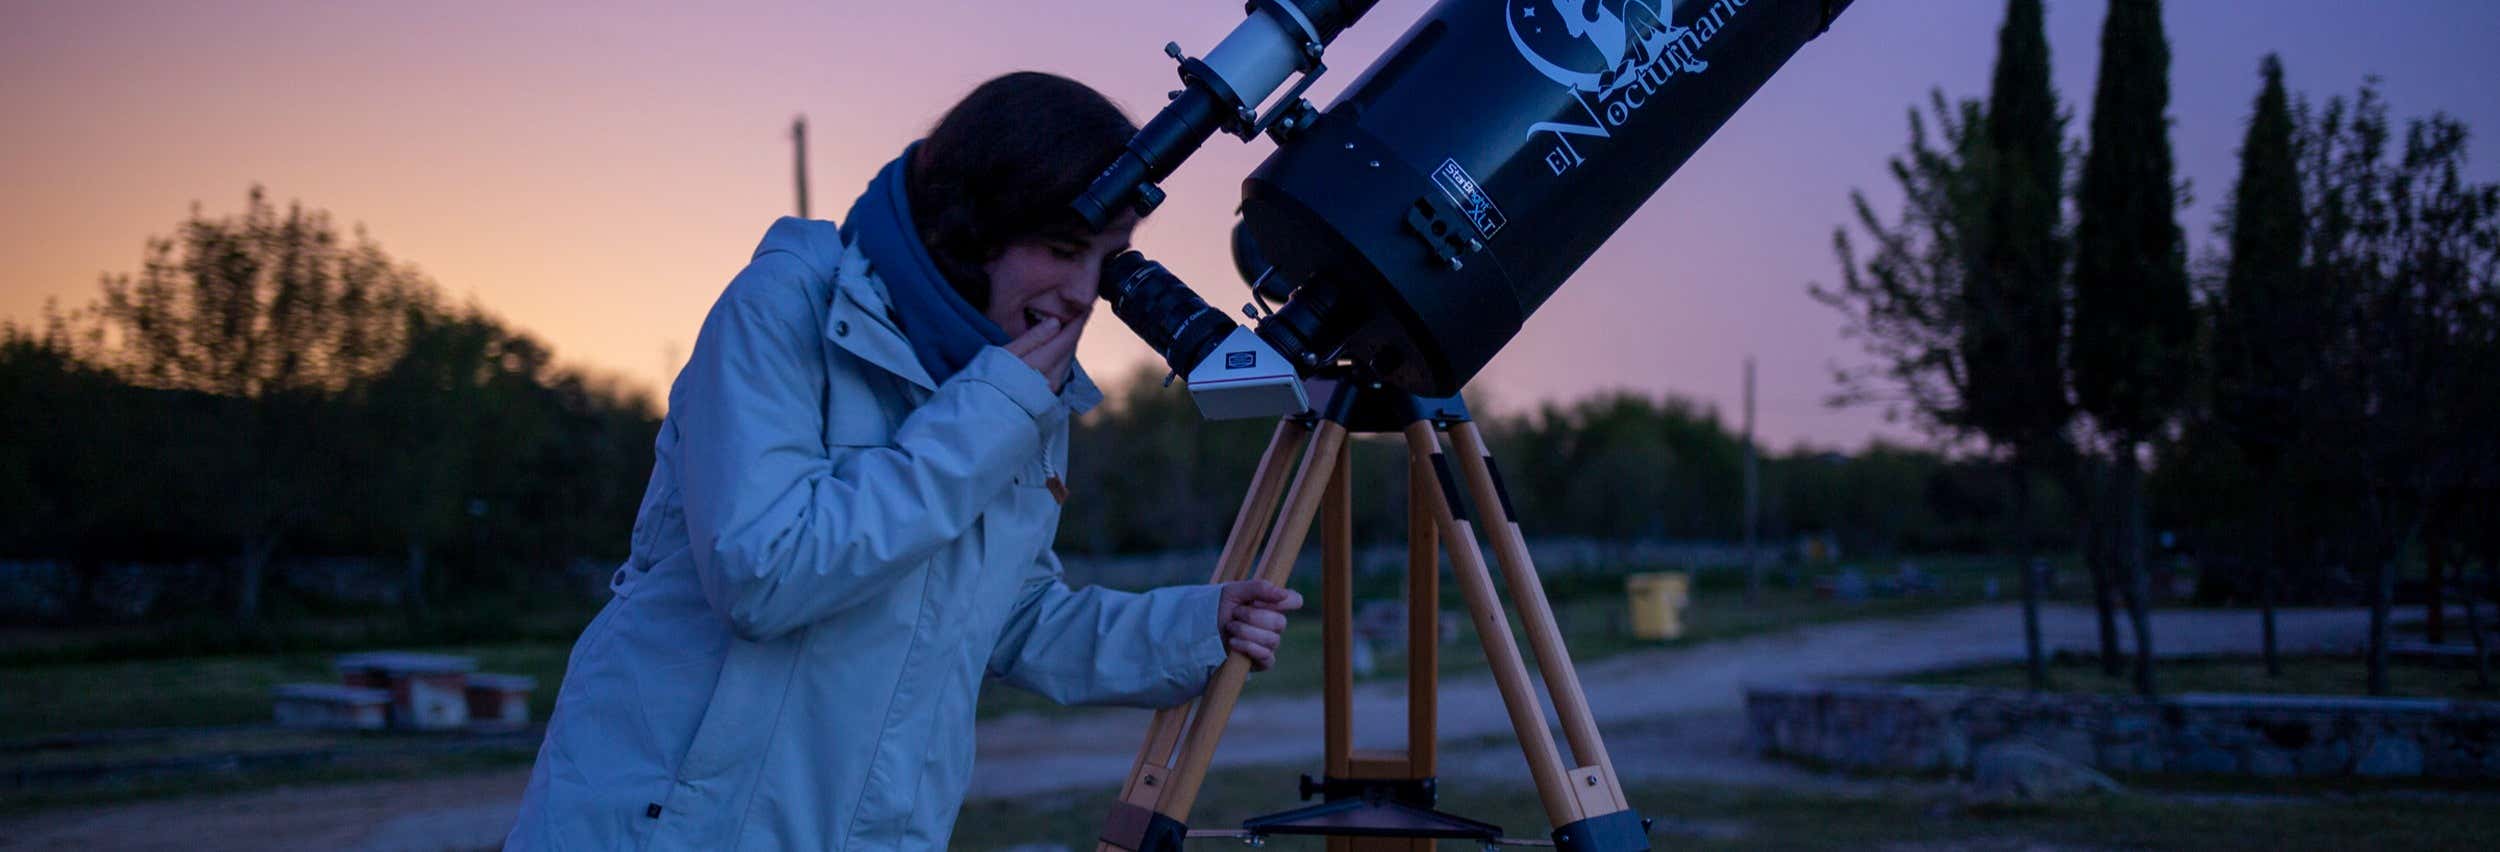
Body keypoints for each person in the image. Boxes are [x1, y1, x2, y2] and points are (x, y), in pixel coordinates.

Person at [505, 71, 1303, 850]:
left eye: (1110, 259)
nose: (1083, 293)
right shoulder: (786, 308)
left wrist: (1192, 626)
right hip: (676, 824)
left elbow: (1004, 615)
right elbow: (763, 574)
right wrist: (992, 411)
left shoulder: (1013, 387)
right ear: (971, 228)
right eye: (1062, 248)